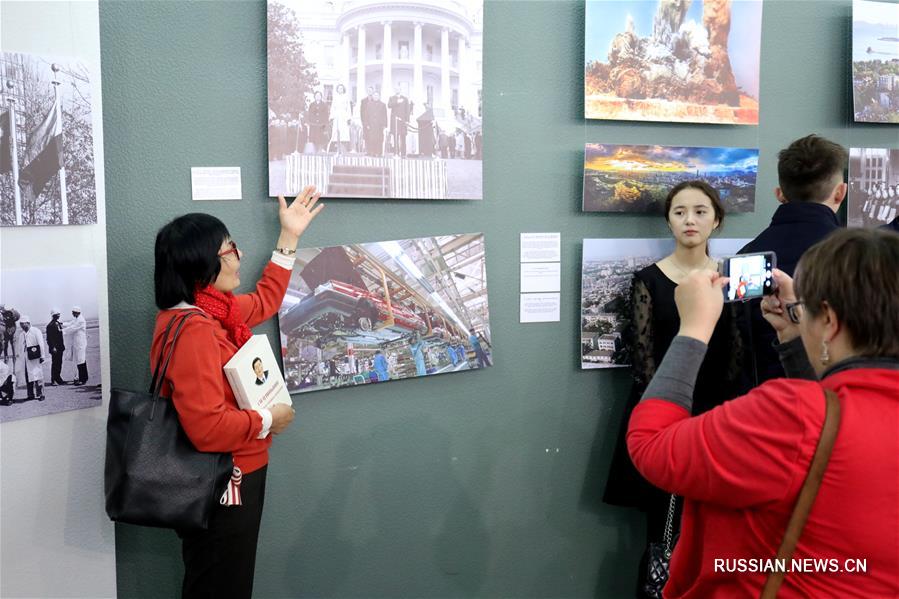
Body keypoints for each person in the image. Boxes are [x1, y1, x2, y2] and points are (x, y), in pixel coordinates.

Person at [627, 228, 899, 598]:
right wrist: (796, 337)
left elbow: (652, 446)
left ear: (830, 321)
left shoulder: (792, 415)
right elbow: (835, 423)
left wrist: (693, 329)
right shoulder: (834, 413)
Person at [151, 186, 323, 599]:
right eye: (229, 249)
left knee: (224, 581)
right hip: (224, 481)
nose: (238, 255)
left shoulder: (214, 312)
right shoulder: (194, 329)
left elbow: (265, 301)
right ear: (202, 263)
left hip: (232, 476)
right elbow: (208, 428)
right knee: (221, 586)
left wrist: (289, 235)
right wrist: (269, 418)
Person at [604, 180, 745, 599]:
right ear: (668, 221)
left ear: (716, 220)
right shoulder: (648, 279)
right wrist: (671, 420)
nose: (689, 220)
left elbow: (737, 357)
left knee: (716, 527)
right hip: (663, 416)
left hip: (716, 419)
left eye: (700, 211)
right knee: (663, 532)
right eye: (680, 212)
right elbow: (643, 363)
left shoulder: (728, 278)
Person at [738, 134, 847, 385]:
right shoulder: (859, 257)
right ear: (840, 193)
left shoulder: (748, 255)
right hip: (839, 397)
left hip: (762, 399)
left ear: (780, 194)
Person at [19, 316, 46, 401]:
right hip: (26, 358)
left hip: (35, 356)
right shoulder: (21, 334)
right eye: (20, 324)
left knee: (38, 375)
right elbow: (20, 348)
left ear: (28, 323)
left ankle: (41, 394)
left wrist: (42, 356)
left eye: (23, 324)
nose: (21, 326)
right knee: (28, 376)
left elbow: (41, 344)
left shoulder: (36, 331)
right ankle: (30, 394)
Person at [63, 306, 89, 385]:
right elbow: (70, 323)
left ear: (77, 312)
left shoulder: (81, 320)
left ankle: (82, 379)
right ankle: (83, 377)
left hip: (80, 343)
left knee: (81, 360)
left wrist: (62, 331)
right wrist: (62, 324)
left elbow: (73, 328)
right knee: (79, 360)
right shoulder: (76, 319)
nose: (72, 313)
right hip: (76, 343)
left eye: (73, 312)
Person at [361, 90, 388, 157]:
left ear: (379, 96)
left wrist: (384, 125)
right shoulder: (369, 104)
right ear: (373, 96)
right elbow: (366, 115)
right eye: (374, 95)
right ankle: (372, 152)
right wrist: (367, 124)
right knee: (371, 139)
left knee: (379, 139)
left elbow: (385, 115)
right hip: (371, 125)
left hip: (379, 125)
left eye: (377, 95)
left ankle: (378, 153)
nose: (376, 97)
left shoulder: (383, 105)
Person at [387, 87, 412, 157]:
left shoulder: (405, 99)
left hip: (403, 121)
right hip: (394, 121)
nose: (397, 90)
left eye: (398, 89)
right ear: (394, 90)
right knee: (395, 138)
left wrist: (407, 120)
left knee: (403, 138)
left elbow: (407, 110)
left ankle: (403, 154)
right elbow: (389, 105)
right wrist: (397, 102)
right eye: (396, 89)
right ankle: (396, 153)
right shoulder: (391, 98)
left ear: (400, 90)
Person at [328, 84, 351, 154]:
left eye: (341, 88)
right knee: (336, 130)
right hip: (337, 115)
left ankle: (343, 147)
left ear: (343, 89)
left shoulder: (346, 97)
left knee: (343, 130)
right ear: (337, 90)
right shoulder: (335, 98)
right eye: (339, 88)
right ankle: (336, 147)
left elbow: (348, 108)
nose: (340, 89)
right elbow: (333, 107)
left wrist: (348, 117)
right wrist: (331, 117)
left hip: (343, 115)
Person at [45, 308, 66, 386]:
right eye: (57, 315)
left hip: (60, 347)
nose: (59, 316)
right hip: (55, 348)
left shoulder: (58, 323)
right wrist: (53, 347)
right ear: (54, 315)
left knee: (59, 363)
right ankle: (53, 379)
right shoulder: (50, 325)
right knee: (55, 364)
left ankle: (58, 378)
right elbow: (49, 338)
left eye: (59, 314)